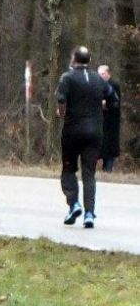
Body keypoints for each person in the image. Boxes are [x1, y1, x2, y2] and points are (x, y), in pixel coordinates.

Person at [56, 46, 116, 229]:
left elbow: (61, 99)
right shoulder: (98, 79)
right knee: (89, 173)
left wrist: (62, 113)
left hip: (73, 130)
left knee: (68, 169)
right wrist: (101, 106)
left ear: (74, 59)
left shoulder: (67, 78)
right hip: (94, 132)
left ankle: (74, 204)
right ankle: (89, 214)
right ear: (89, 60)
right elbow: (113, 99)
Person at [97, 64, 122, 173]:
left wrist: (105, 104)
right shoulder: (96, 85)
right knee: (98, 147)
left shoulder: (114, 86)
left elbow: (116, 104)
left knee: (109, 149)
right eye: (99, 74)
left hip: (111, 122)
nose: (100, 76)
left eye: (103, 74)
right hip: (99, 122)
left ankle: (108, 170)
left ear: (108, 74)